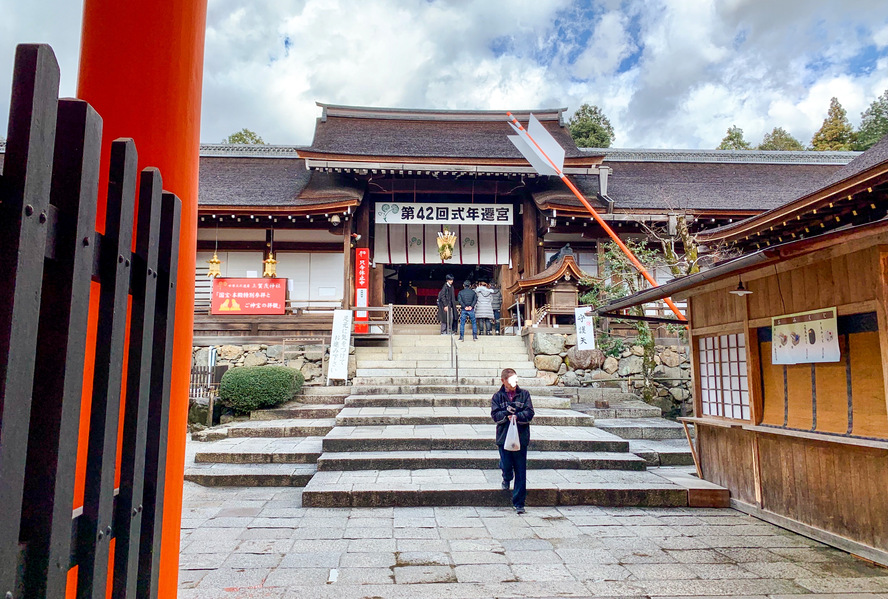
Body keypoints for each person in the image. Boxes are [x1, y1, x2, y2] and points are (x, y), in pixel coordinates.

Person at [491, 368, 534, 513]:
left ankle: (519, 503)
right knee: (506, 464)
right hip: (504, 437)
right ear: (503, 381)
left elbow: (529, 412)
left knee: (521, 470)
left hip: (520, 437)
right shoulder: (498, 397)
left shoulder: (524, 394)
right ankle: (506, 476)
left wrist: (518, 416)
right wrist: (506, 415)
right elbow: (495, 415)